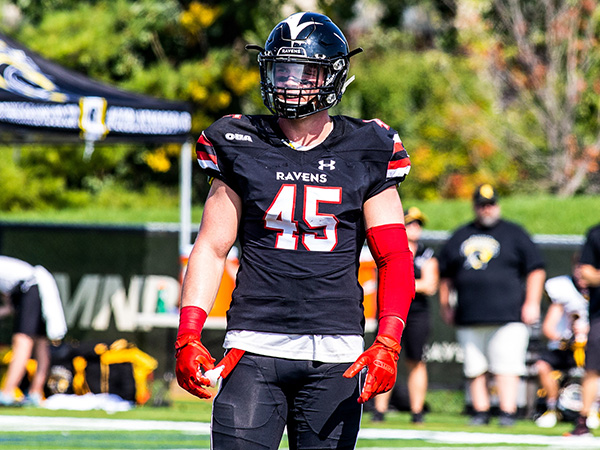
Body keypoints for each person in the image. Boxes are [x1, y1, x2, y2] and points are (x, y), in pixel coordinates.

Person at [174, 11, 415, 449]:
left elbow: (394, 256)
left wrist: (388, 342)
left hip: (337, 353)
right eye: (282, 69)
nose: (291, 81)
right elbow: (211, 247)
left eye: (306, 70)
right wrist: (189, 333)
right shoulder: (238, 140)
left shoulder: (369, 146)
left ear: (334, 76)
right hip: (253, 345)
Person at [438, 184, 546, 427]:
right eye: (481, 205)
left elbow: (536, 270)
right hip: (469, 314)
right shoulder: (460, 235)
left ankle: (508, 412)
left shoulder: (514, 233)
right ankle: (480, 411)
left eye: (490, 204)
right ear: (474, 206)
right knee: (474, 367)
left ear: (497, 205)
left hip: (508, 315)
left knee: (506, 365)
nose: (486, 209)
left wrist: (532, 302)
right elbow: (445, 274)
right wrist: (446, 304)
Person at [373, 207, 439, 424]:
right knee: (384, 357)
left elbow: (430, 285)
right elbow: (380, 278)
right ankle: (379, 410)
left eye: (418, 224)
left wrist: (400, 283)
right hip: (391, 310)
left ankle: (417, 411)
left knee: (416, 360)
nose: (415, 228)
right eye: (411, 223)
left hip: (416, 312)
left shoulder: (426, 254)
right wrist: (411, 284)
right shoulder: (390, 250)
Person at [0, 256, 67, 406]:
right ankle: (35, 392)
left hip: (32, 287)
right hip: (32, 289)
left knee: (23, 341)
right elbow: (9, 307)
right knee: (40, 343)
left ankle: (7, 391)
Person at [534, 256, 589, 428]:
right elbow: (549, 327)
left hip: (591, 347)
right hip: (566, 347)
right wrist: (566, 338)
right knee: (542, 365)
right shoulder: (563, 290)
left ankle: (592, 409)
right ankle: (552, 408)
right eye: (578, 267)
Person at [567, 223, 600, 436]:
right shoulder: (596, 234)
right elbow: (586, 272)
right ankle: (583, 420)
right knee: (593, 366)